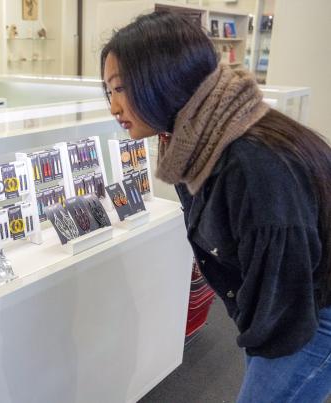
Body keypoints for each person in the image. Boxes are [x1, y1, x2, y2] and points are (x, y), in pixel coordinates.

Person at [101, 11, 331, 402]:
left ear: (165, 78)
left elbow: (285, 301)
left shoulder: (250, 161)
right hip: (288, 304)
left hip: (310, 312)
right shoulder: (198, 140)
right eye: (109, 92)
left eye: (121, 88)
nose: (113, 108)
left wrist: (258, 341)